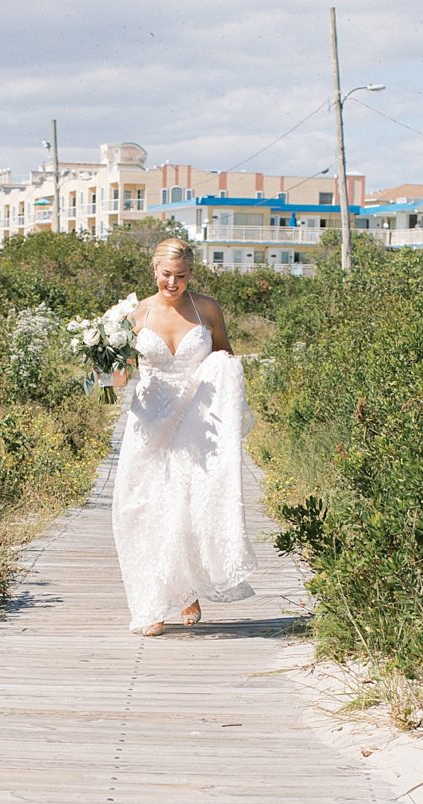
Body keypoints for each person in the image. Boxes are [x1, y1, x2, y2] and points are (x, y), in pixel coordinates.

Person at [111, 237, 257, 636]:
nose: (173, 284)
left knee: (188, 504)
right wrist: (105, 361)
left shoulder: (207, 309)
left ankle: (186, 590)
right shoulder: (134, 314)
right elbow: (118, 379)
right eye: (166, 275)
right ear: (154, 271)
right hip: (149, 420)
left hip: (198, 420)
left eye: (181, 276)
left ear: (191, 273)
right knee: (143, 506)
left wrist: (225, 397)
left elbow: (225, 357)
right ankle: (152, 601)